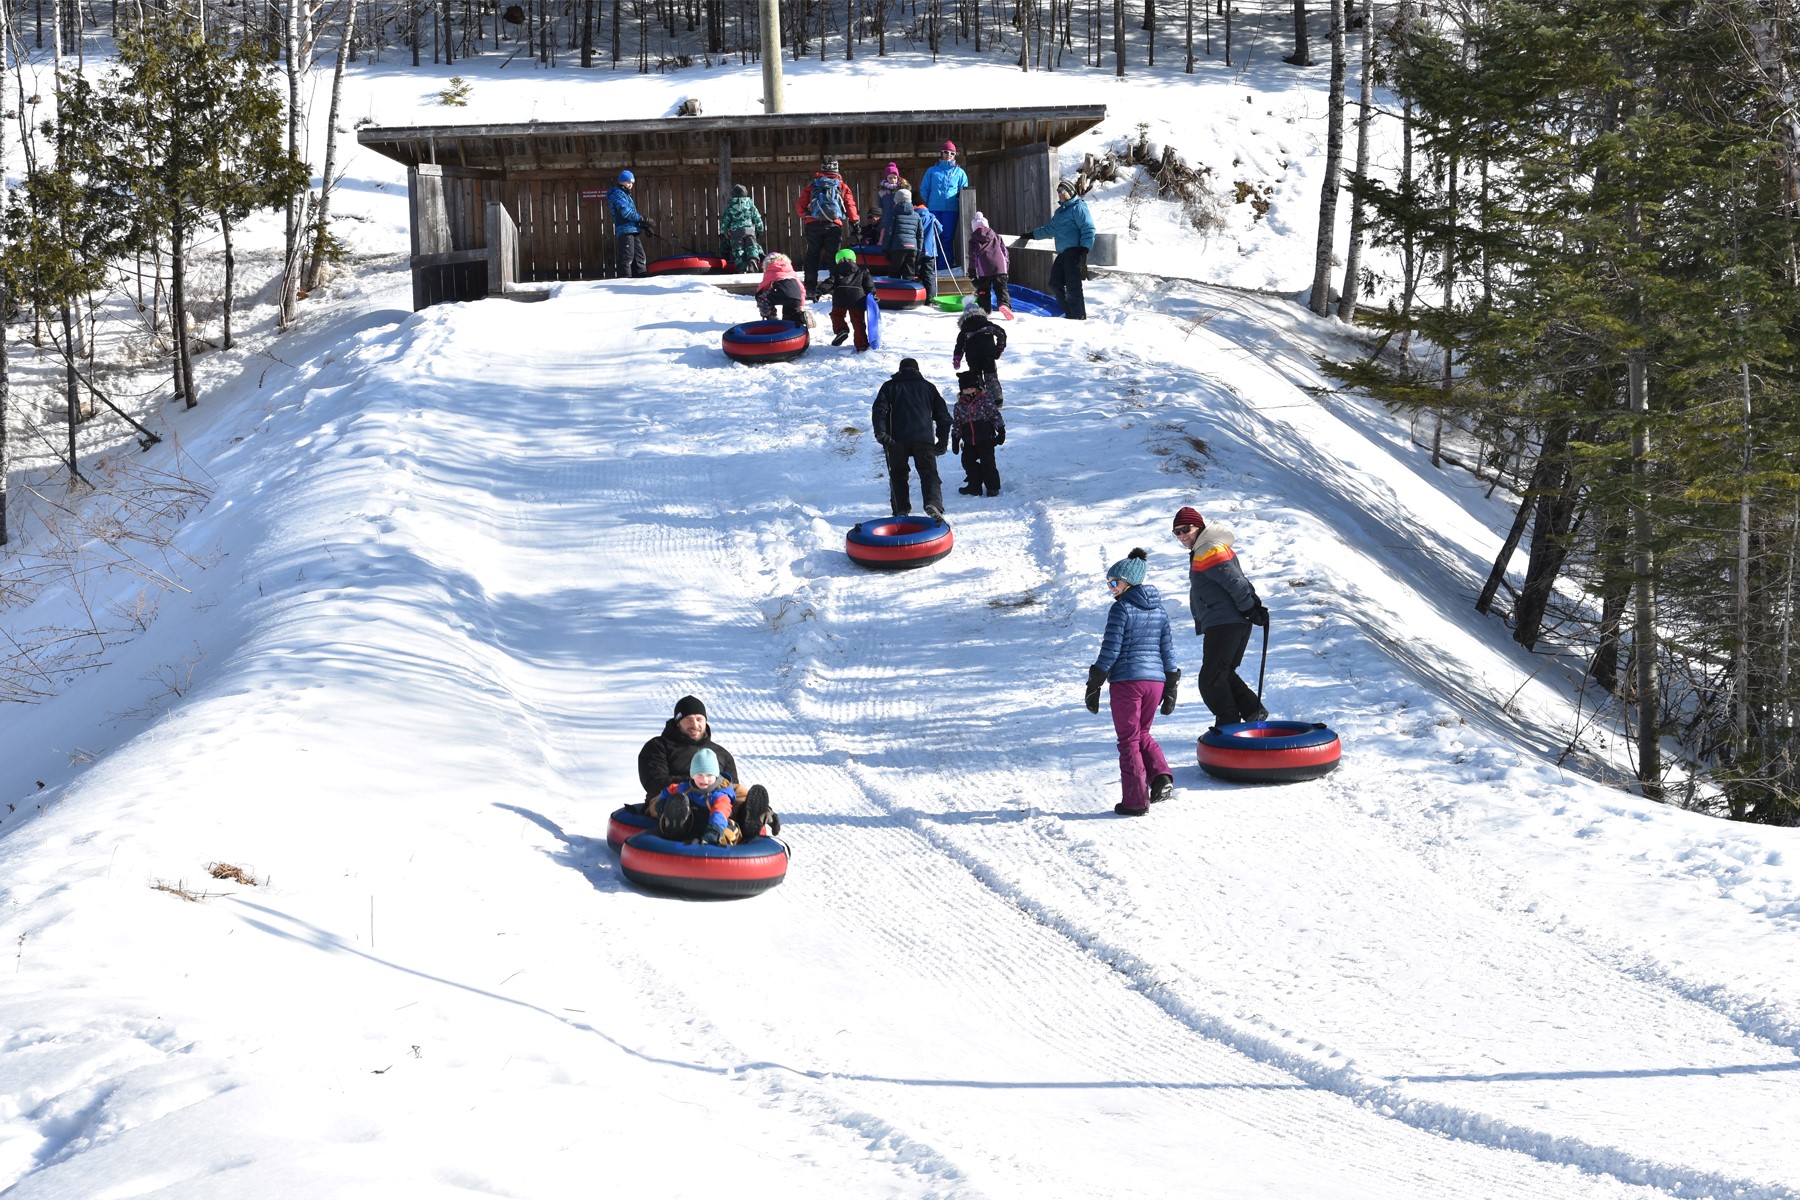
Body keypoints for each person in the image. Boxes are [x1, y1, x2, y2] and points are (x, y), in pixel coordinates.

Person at [1085, 549, 1181, 816]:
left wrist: (1094, 683)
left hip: (1128, 683)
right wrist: (1171, 683)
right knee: (1142, 734)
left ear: (1128, 582)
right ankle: (1161, 777)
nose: (1111, 588)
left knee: (1128, 741)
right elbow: (1167, 650)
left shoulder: (1121, 609)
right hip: (1155, 682)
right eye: (1109, 583)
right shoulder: (1160, 611)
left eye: (1114, 582)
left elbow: (1110, 650)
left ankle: (1136, 801)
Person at [1171, 506, 1269, 730]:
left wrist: (1250, 608)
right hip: (1230, 621)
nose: (1182, 535)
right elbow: (1237, 580)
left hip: (1225, 622)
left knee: (1211, 678)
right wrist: (1252, 607)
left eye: (1186, 529)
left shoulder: (1208, 548)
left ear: (1200, 526)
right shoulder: (1208, 547)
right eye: (1177, 532)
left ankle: (1227, 723)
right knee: (1222, 673)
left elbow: (1234, 582)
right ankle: (1252, 710)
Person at [636, 695, 779, 839]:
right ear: (678, 722)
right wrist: (695, 782)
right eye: (688, 719)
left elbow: (731, 788)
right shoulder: (658, 746)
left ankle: (751, 816)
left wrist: (711, 785)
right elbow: (654, 782)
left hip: (715, 799)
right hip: (675, 795)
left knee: (737, 789)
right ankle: (679, 820)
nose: (695, 724)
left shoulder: (721, 753)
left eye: (699, 719)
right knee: (665, 799)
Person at [870, 357, 951, 519]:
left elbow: (879, 410)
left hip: (896, 440)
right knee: (929, 473)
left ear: (900, 370)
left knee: (898, 474)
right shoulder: (928, 387)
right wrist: (942, 441)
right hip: (924, 438)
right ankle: (933, 504)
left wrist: (881, 433)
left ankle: (901, 510)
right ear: (918, 370)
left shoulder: (889, 386)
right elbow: (944, 417)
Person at [1025, 179, 1096, 320]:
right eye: (1058, 192)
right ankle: (1070, 312)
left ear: (1070, 192)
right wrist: (1032, 234)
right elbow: (1050, 230)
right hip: (1062, 253)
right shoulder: (1060, 212)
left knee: (1072, 285)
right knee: (1054, 283)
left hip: (1074, 251)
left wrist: (1084, 250)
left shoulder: (1079, 208)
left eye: (1062, 192)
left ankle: (1078, 315)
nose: (1060, 195)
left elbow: (1088, 229)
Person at [796, 155, 860, 294]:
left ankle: (810, 289)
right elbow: (850, 204)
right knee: (834, 258)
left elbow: (800, 204)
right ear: (837, 169)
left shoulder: (813, 184)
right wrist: (854, 221)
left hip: (814, 224)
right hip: (833, 225)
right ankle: (835, 288)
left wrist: (805, 216)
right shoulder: (841, 185)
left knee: (812, 257)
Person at [950, 371, 1005, 498]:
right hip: (969, 440)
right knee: (967, 461)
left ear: (977, 387)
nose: (969, 391)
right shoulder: (959, 406)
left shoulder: (984, 400)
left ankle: (992, 487)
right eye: (966, 389)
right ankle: (974, 486)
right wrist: (955, 438)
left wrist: (1001, 430)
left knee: (988, 463)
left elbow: (994, 415)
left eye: (971, 388)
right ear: (961, 390)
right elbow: (957, 423)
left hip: (985, 438)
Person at [917, 140, 969, 268]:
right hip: (933, 209)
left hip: (951, 210)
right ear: (941, 153)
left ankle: (945, 267)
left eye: (952, 153)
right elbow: (925, 190)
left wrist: (958, 198)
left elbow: (965, 190)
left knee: (947, 238)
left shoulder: (960, 173)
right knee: (933, 238)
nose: (949, 155)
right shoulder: (932, 171)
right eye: (946, 152)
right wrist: (923, 207)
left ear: (955, 155)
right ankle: (932, 267)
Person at [952, 304, 1007, 407]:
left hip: (973, 358)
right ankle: (997, 400)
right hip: (988, 355)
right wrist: (999, 348)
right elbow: (1001, 333)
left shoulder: (964, 330)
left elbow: (959, 345)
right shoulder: (987, 325)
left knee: (976, 378)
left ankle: (979, 400)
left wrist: (957, 359)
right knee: (991, 377)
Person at [966, 212, 1013, 319]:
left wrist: (972, 272)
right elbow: (1005, 253)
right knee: (1001, 288)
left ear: (974, 228)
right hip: (1000, 266)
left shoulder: (973, 241)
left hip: (984, 269)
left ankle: (985, 310)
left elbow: (973, 257)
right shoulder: (997, 237)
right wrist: (1006, 267)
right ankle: (1004, 305)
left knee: (983, 289)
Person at [608, 169, 653, 278]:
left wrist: (643, 225)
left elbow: (631, 214)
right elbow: (626, 212)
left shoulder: (626, 195)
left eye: (632, 183)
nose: (630, 185)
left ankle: (640, 279)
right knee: (627, 257)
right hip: (625, 230)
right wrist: (642, 219)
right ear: (621, 182)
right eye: (628, 182)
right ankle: (625, 282)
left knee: (640, 257)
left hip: (632, 229)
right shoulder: (617, 194)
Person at [827, 248, 874, 351]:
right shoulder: (862, 270)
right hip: (857, 298)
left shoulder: (836, 271)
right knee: (858, 322)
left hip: (840, 297)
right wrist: (873, 294)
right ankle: (861, 345)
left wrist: (818, 292)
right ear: (854, 259)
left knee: (836, 315)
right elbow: (869, 284)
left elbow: (829, 282)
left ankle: (841, 329)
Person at [718, 183, 766, 274]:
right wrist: (760, 229)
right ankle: (753, 260)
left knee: (739, 250)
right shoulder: (750, 205)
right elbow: (757, 217)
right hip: (750, 230)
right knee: (752, 247)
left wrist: (723, 232)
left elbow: (725, 220)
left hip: (736, 232)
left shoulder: (731, 206)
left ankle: (742, 269)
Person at [882, 187, 921, 281]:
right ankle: (909, 293)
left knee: (894, 272)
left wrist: (885, 249)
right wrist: (918, 250)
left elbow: (889, 233)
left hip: (898, 247)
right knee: (909, 273)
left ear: (896, 200)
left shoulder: (893, 214)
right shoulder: (916, 215)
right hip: (912, 247)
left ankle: (895, 294)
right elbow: (920, 235)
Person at [755, 252, 806, 324]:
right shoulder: (791, 271)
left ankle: (772, 317)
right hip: (796, 296)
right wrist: (800, 305)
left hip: (783, 294)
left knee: (761, 297)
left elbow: (763, 287)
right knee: (790, 318)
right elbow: (802, 290)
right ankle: (800, 317)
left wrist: (758, 296)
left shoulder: (771, 268)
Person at [912, 198, 945, 302]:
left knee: (916, 274)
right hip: (930, 250)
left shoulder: (913, 216)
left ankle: (919, 297)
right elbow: (940, 229)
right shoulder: (931, 216)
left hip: (916, 249)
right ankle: (931, 299)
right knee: (929, 274)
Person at [868, 163, 904, 244]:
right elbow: (880, 205)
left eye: (895, 178)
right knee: (884, 229)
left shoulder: (900, 191)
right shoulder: (882, 193)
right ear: (886, 178)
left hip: (897, 215)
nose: (893, 180)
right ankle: (881, 242)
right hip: (886, 215)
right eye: (890, 178)